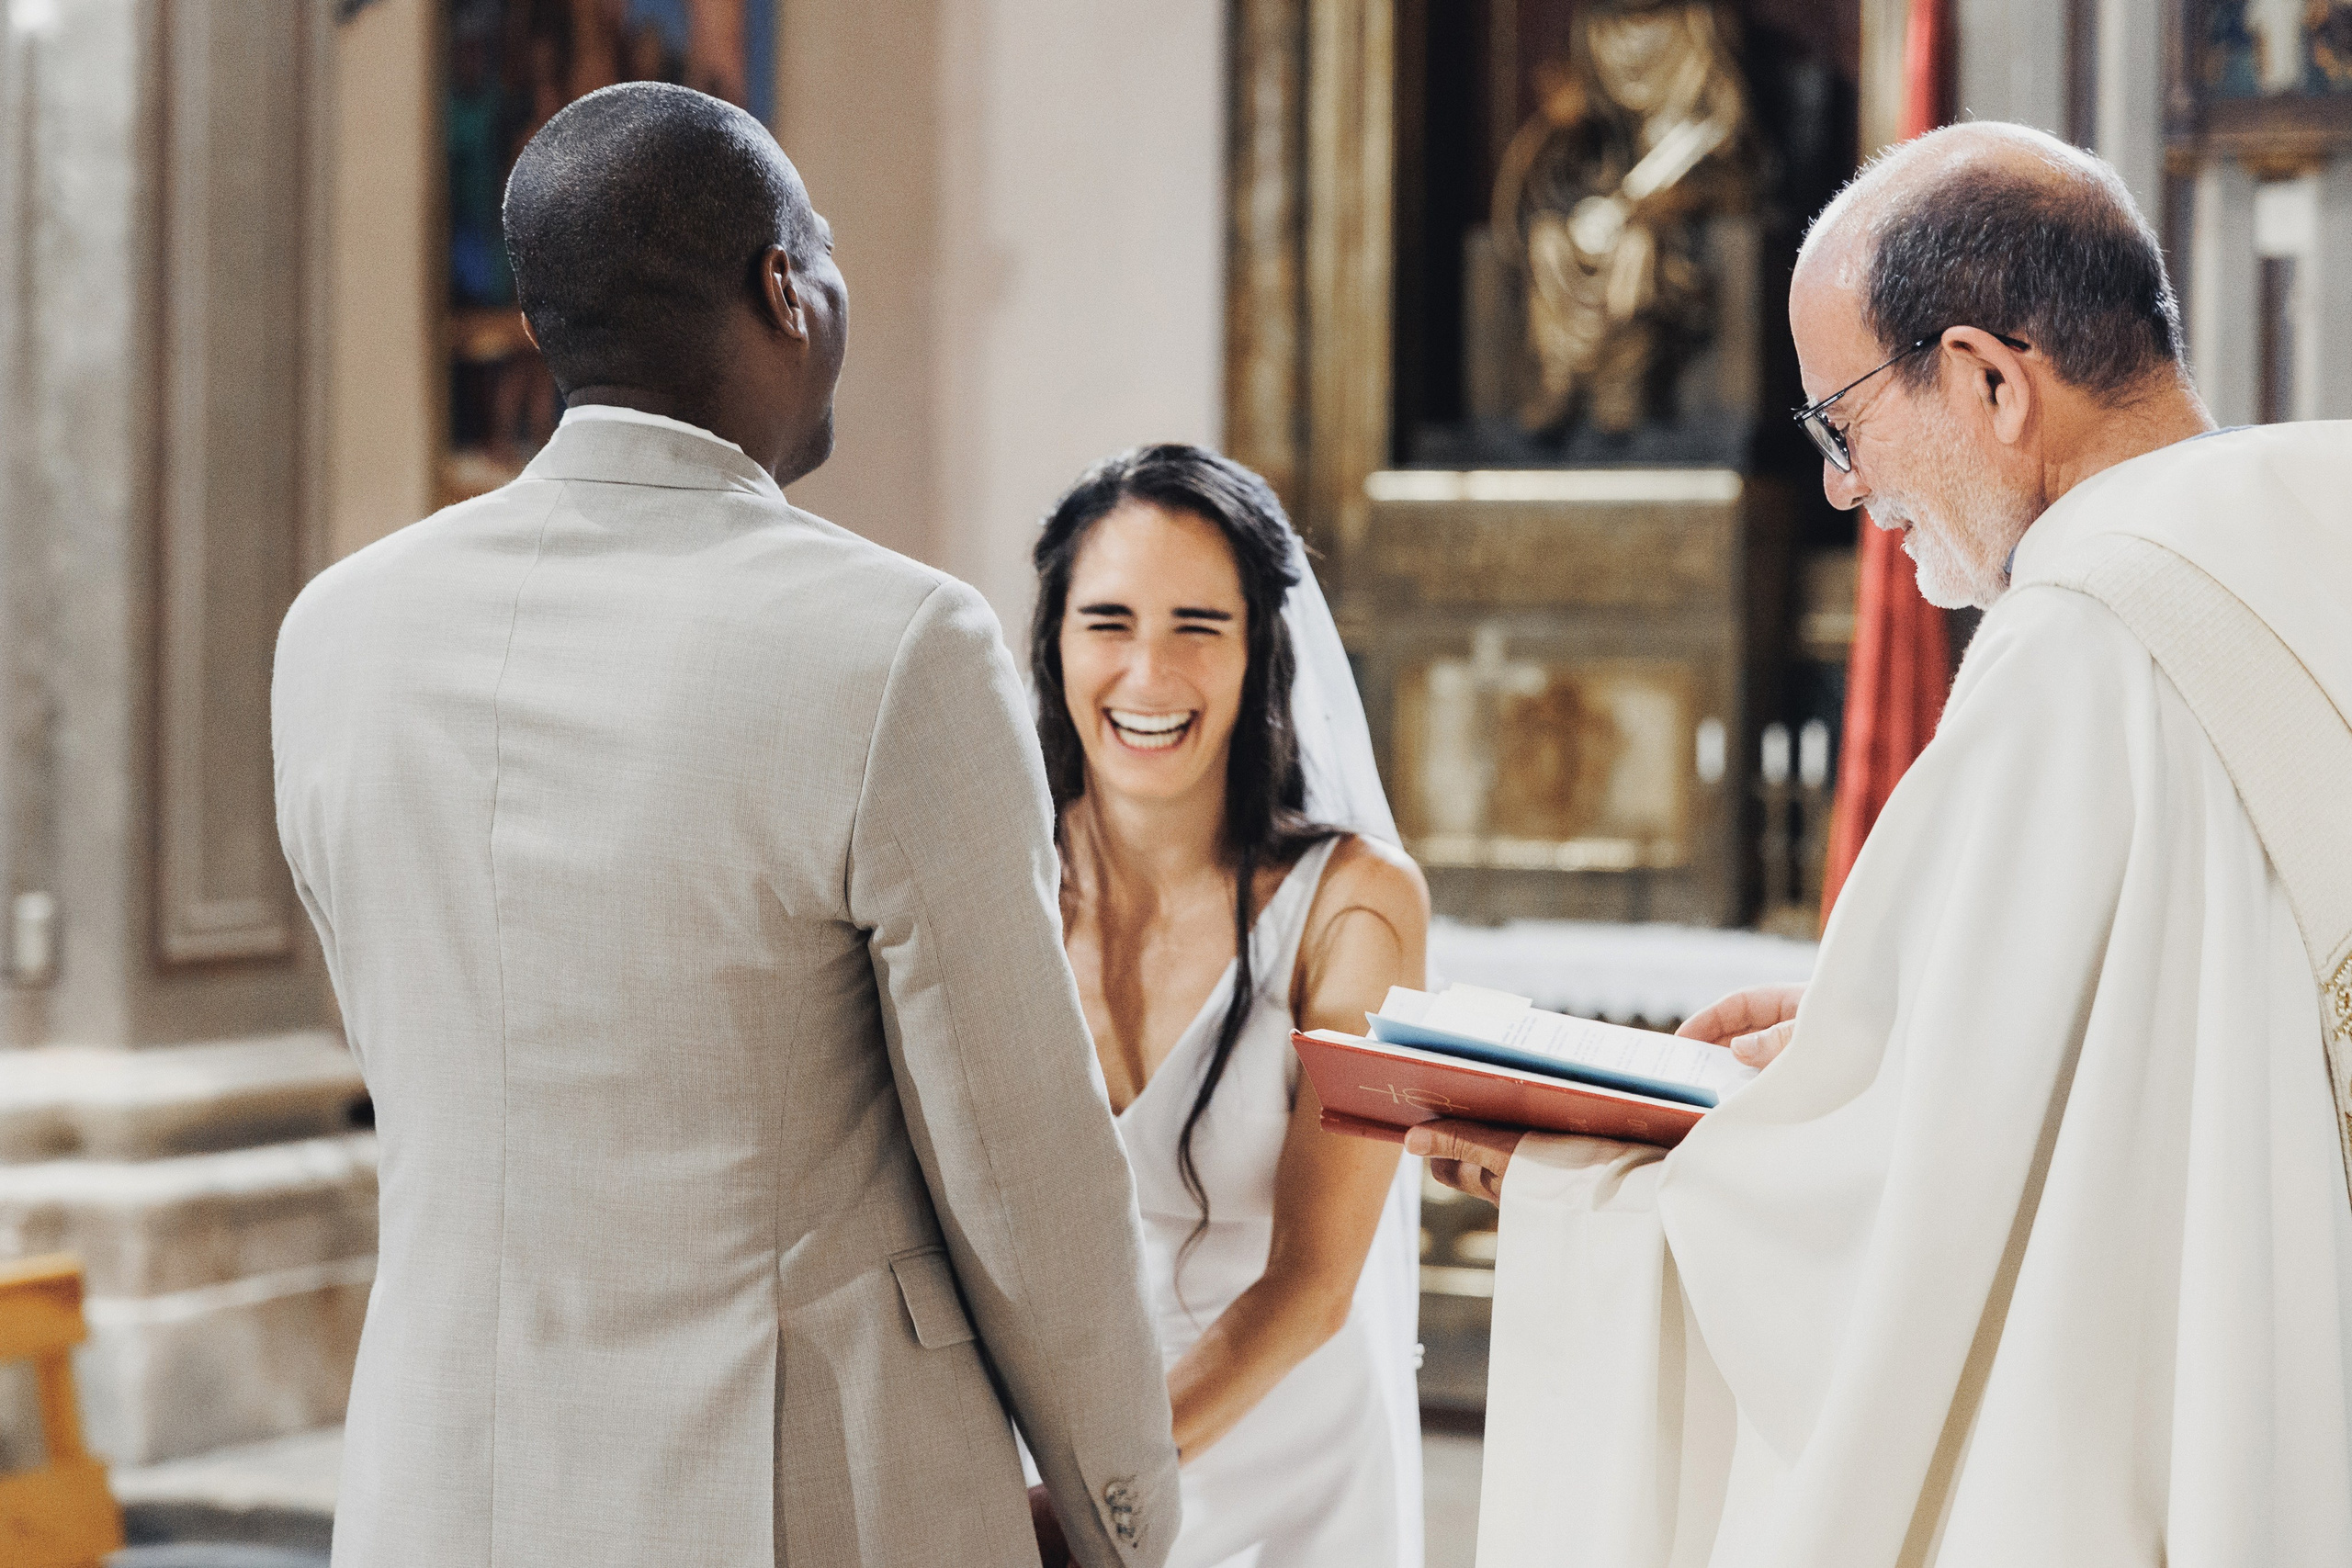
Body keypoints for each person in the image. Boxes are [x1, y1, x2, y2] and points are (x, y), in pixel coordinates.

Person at [1410, 121, 2352, 1565]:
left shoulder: (2081, 637)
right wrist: (1899, 1029)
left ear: (1988, 377)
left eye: (1839, 422)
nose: (1844, 490)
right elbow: (2219, 1035)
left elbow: (1919, 1240)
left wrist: (1587, 1183)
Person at [272, 84, 1178, 1568]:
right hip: (790, 1499)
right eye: (824, 250)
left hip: (439, 1489)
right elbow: (1024, 1166)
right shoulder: (895, 645)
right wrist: (1119, 1507)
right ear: (783, 288)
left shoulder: (335, 633)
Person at [1025, 446, 1430, 1568]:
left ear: (1260, 651)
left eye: (1197, 627)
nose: (1148, 673)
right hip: (1055, 1442)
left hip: (1282, 1467)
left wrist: (1089, 1497)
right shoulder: (996, 884)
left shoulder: (1356, 904)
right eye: (1108, 623)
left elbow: (1314, 1281)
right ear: (1054, 642)